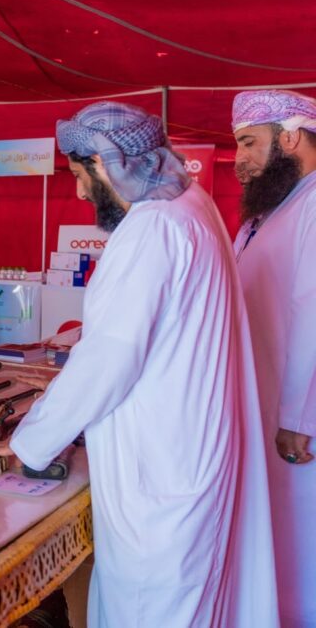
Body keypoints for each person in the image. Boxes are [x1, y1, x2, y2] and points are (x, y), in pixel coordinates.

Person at [0, 102, 277, 627]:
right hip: (187, 444)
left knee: (150, 607)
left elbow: (109, 357)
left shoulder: (151, 227)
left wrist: (30, 441)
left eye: (78, 175)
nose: (78, 193)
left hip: (161, 463)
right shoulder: (191, 203)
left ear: (104, 163)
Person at [231, 89, 316, 628]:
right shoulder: (268, 213)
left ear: (290, 138)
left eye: (248, 143)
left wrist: (297, 418)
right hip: (263, 405)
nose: (237, 159)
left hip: (298, 424)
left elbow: (313, 311)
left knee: (302, 541)